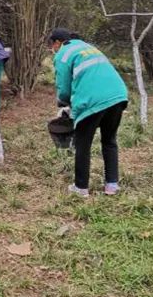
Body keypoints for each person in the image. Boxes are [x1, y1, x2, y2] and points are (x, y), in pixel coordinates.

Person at [50, 28, 128, 197]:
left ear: (57, 43)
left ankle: (81, 188)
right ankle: (112, 186)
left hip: (92, 100)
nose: (53, 49)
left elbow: (63, 86)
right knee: (109, 140)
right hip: (117, 95)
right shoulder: (89, 48)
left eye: (52, 46)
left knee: (83, 144)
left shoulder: (63, 53)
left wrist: (63, 104)